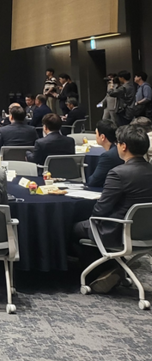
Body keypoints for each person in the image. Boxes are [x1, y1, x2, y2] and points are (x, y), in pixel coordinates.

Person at [74, 124, 152, 293]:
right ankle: (113, 268)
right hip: (147, 231)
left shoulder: (118, 173)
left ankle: (100, 272)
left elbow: (99, 211)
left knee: (74, 227)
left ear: (123, 146)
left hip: (118, 230)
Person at [86, 120, 123, 188]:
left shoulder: (108, 156)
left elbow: (93, 181)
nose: (95, 136)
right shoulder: (118, 149)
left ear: (102, 137)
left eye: (96, 133)